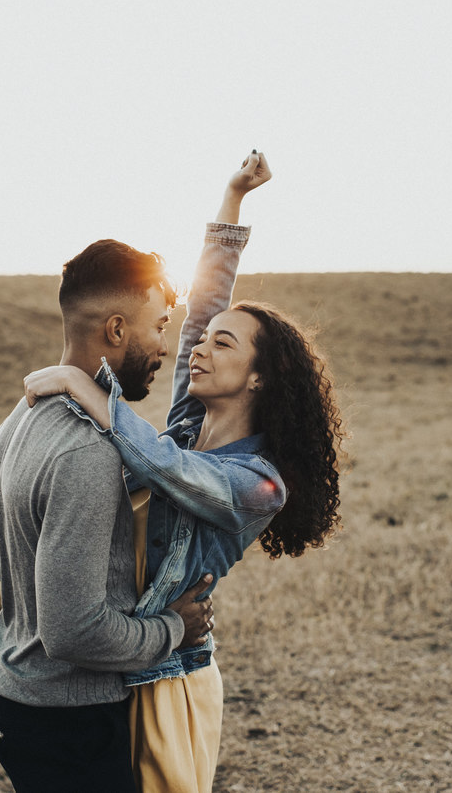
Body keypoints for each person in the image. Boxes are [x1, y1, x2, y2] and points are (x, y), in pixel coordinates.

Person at [23, 151, 345, 793]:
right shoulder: (187, 421)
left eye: (223, 344)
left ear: (260, 376)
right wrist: (233, 200)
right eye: (202, 340)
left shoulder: (259, 483)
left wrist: (84, 387)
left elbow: (166, 469)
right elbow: (204, 306)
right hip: (128, 659)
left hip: (172, 678)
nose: (197, 345)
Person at [0, 235, 218, 793]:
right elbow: (71, 631)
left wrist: (50, 586)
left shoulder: (24, 413)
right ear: (117, 330)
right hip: (69, 720)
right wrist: (175, 626)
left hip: (8, 695)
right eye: (158, 327)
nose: (164, 346)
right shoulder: (89, 452)